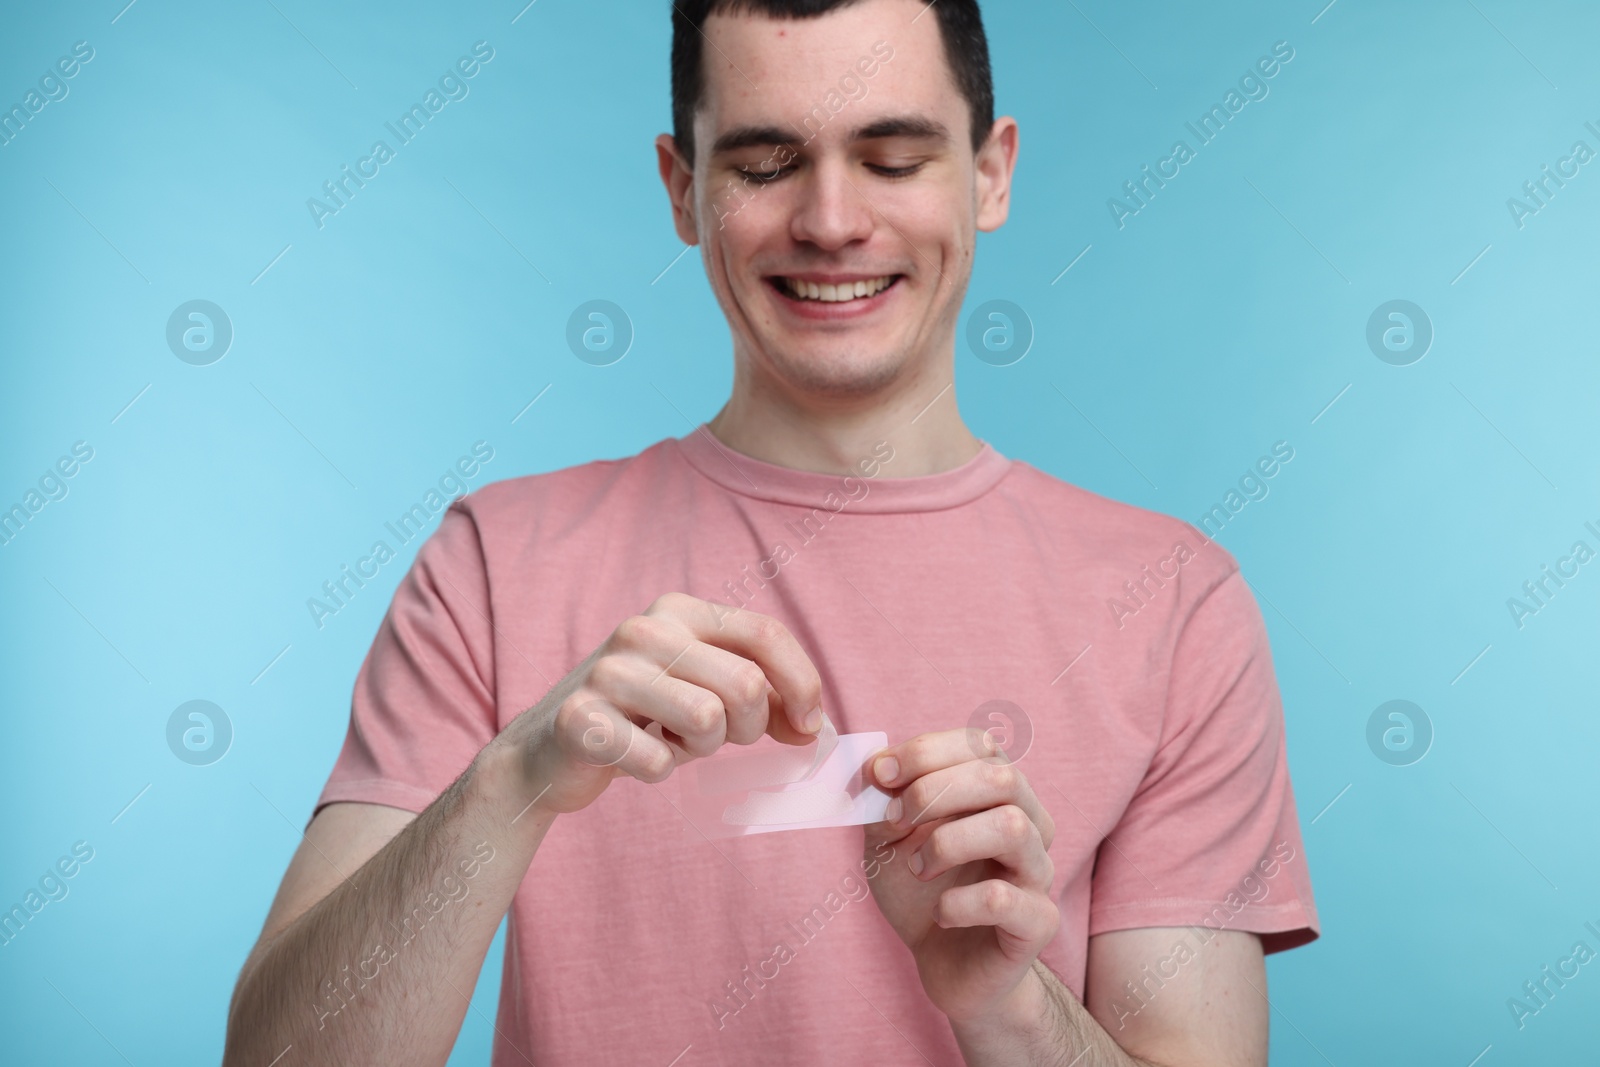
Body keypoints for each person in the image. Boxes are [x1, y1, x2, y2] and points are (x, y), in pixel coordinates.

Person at [223, 1, 1318, 1064]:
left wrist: (1008, 1006)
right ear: (682, 188)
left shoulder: (1173, 601)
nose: (832, 220)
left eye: (892, 158)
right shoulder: (494, 565)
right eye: (762, 164)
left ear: (990, 172)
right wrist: (510, 783)